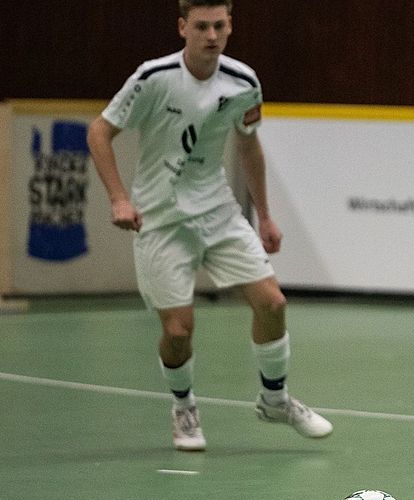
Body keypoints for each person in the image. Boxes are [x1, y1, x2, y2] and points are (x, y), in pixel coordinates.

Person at [86, 0, 332, 452]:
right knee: (178, 331)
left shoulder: (243, 82)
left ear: (230, 25)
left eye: (220, 25)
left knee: (272, 303)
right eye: (201, 26)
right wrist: (119, 198)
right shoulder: (153, 78)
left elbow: (249, 146)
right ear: (183, 28)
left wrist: (265, 215)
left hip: (218, 212)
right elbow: (99, 132)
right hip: (160, 221)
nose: (211, 35)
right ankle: (183, 406)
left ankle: (274, 399)